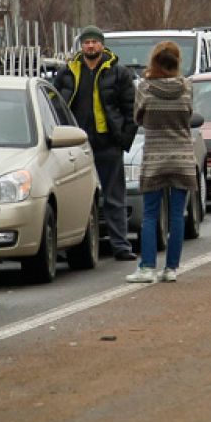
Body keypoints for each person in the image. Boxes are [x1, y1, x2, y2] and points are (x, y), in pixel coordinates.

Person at [53, 25, 140, 262]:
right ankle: (67, 247)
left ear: (102, 45)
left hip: (107, 144)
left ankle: (120, 246)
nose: (90, 46)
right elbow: (54, 105)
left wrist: (123, 140)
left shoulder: (118, 73)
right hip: (75, 146)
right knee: (74, 197)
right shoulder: (67, 72)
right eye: (86, 42)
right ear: (81, 45)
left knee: (114, 197)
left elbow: (131, 109)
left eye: (94, 42)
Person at [127, 41, 196, 284]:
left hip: (154, 156)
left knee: (150, 214)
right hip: (182, 156)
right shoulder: (186, 86)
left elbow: (138, 117)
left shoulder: (145, 87)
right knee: (178, 214)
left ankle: (147, 267)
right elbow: (189, 114)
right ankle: (171, 268)